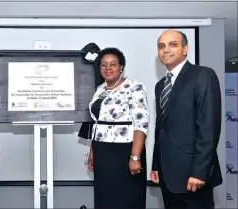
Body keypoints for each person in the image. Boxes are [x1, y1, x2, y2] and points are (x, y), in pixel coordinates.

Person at [151, 29, 222, 209]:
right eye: (161, 46)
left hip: (194, 176)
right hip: (167, 176)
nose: (166, 50)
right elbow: (161, 129)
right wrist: (156, 165)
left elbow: (209, 128)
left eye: (172, 44)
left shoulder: (203, 75)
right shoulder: (161, 85)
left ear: (185, 49)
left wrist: (200, 172)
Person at [86, 47, 150, 209]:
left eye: (113, 64)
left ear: (121, 66)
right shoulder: (100, 90)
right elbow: (97, 123)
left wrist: (135, 157)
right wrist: (93, 152)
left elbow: (141, 123)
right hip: (103, 152)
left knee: (127, 200)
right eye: (104, 65)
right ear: (99, 68)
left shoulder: (134, 86)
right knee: (105, 200)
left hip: (126, 152)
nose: (108, 68)